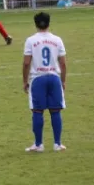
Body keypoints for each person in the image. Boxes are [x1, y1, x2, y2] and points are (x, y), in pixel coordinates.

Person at [23, 12, 67, 152]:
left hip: (38, 79)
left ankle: (38, 144)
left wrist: (25, 81)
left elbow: (26, 63)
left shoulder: (30, 40)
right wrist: (63, 81)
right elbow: (63, 63)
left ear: (35, 24)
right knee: (55, 111)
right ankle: (57, 144)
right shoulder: (57, 40)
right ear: (49, 23)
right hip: (54, 78)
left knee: (37, 111)